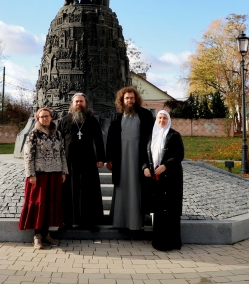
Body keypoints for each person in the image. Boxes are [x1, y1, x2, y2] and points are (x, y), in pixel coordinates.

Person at [18, 107, 68, 250]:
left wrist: (63, 171)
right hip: (39, 175)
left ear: (52, 117)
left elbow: (62, 153)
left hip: (55, 173)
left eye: (47, 116)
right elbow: (27, 155)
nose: (44, 119)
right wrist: (31, 174)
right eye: (42, 117)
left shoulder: (57, 134)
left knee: (50, 204)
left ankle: (46, 234)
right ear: (37, 118)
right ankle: (37, 236)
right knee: (39, 204)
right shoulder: (34, 134)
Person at [105, 87, 154, 231]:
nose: (130, 101)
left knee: (137, 187)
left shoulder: (145, 115)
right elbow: (110, 139)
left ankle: (135, 223)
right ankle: (119, 222)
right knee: (121, 186)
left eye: (132, 98)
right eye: (127, 98)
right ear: (122, 100)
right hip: (121, 158)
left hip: (139, 158)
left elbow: (151, 138)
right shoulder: (116, 116)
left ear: (136, 99)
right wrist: (109, 159)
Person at [58, 93, 105, 231]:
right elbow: (59, 142)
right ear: (72, 104)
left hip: (88, 161)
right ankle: (67, 222)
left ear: (86, 103)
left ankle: (90, 222)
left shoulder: (92, 120)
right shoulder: (65, 120)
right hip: (69, 162)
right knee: (68, 192)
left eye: (81, 101)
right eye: (76, 101)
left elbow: (99, 140)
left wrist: (101, 158)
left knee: (89, 191)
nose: (79, 104)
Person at [143, 110, 184, 251]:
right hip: (156, 178)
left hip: (171, 178)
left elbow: (179, 155)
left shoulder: (174, 135)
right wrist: (144, 168)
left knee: (170, 210)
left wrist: (165, 166)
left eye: (165, 118)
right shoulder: (151, 135)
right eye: (159, 118)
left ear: (169, 120)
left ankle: (172, 242)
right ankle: (159, 242)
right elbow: (144, 155)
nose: (162, 120)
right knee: (159, 210)